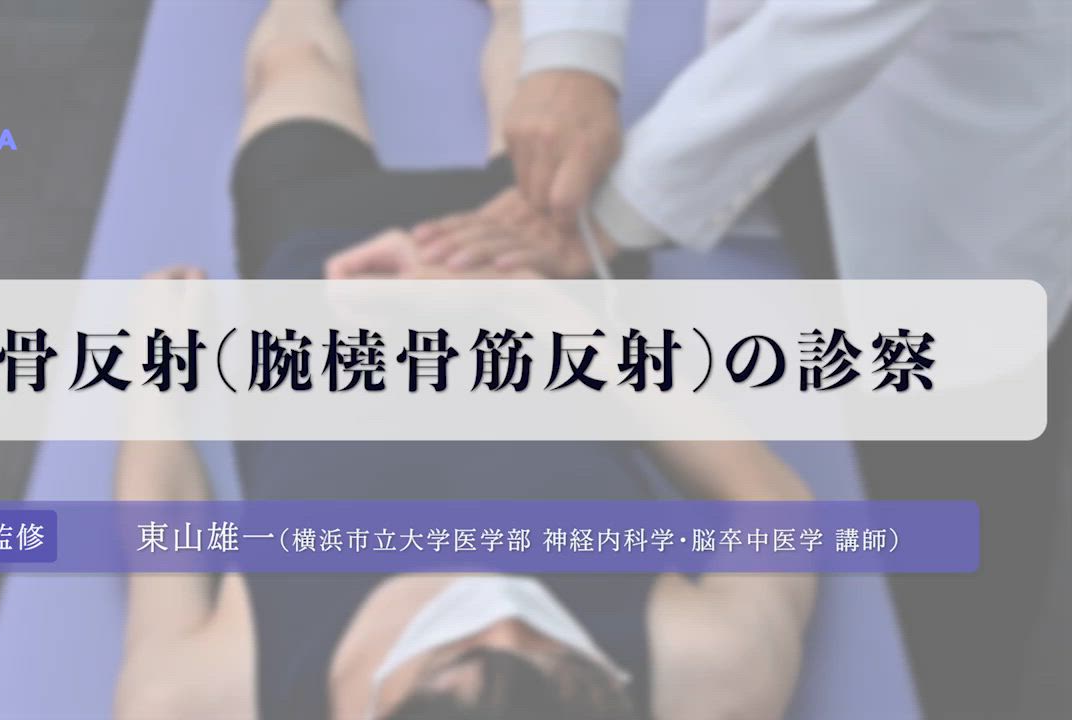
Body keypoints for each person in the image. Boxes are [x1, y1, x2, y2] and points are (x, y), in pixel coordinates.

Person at [113, 2, 816, 719]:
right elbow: (774, 507)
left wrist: (157, 372)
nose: (503, 616)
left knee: (293, 65)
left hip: (325, 277)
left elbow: (166, 522)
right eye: (558, 649)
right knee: (540, 82)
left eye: (449, 652)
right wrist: (542, 315)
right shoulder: (712, 673)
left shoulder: (200, 698)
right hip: (536, 284)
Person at [389, 2, 1071, 716]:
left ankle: (969, 682)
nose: (500, 634)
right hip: (789, 121)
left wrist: (617, 203)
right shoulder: (706, 658)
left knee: (956, 486)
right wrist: (572, 46)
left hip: (945, 137)